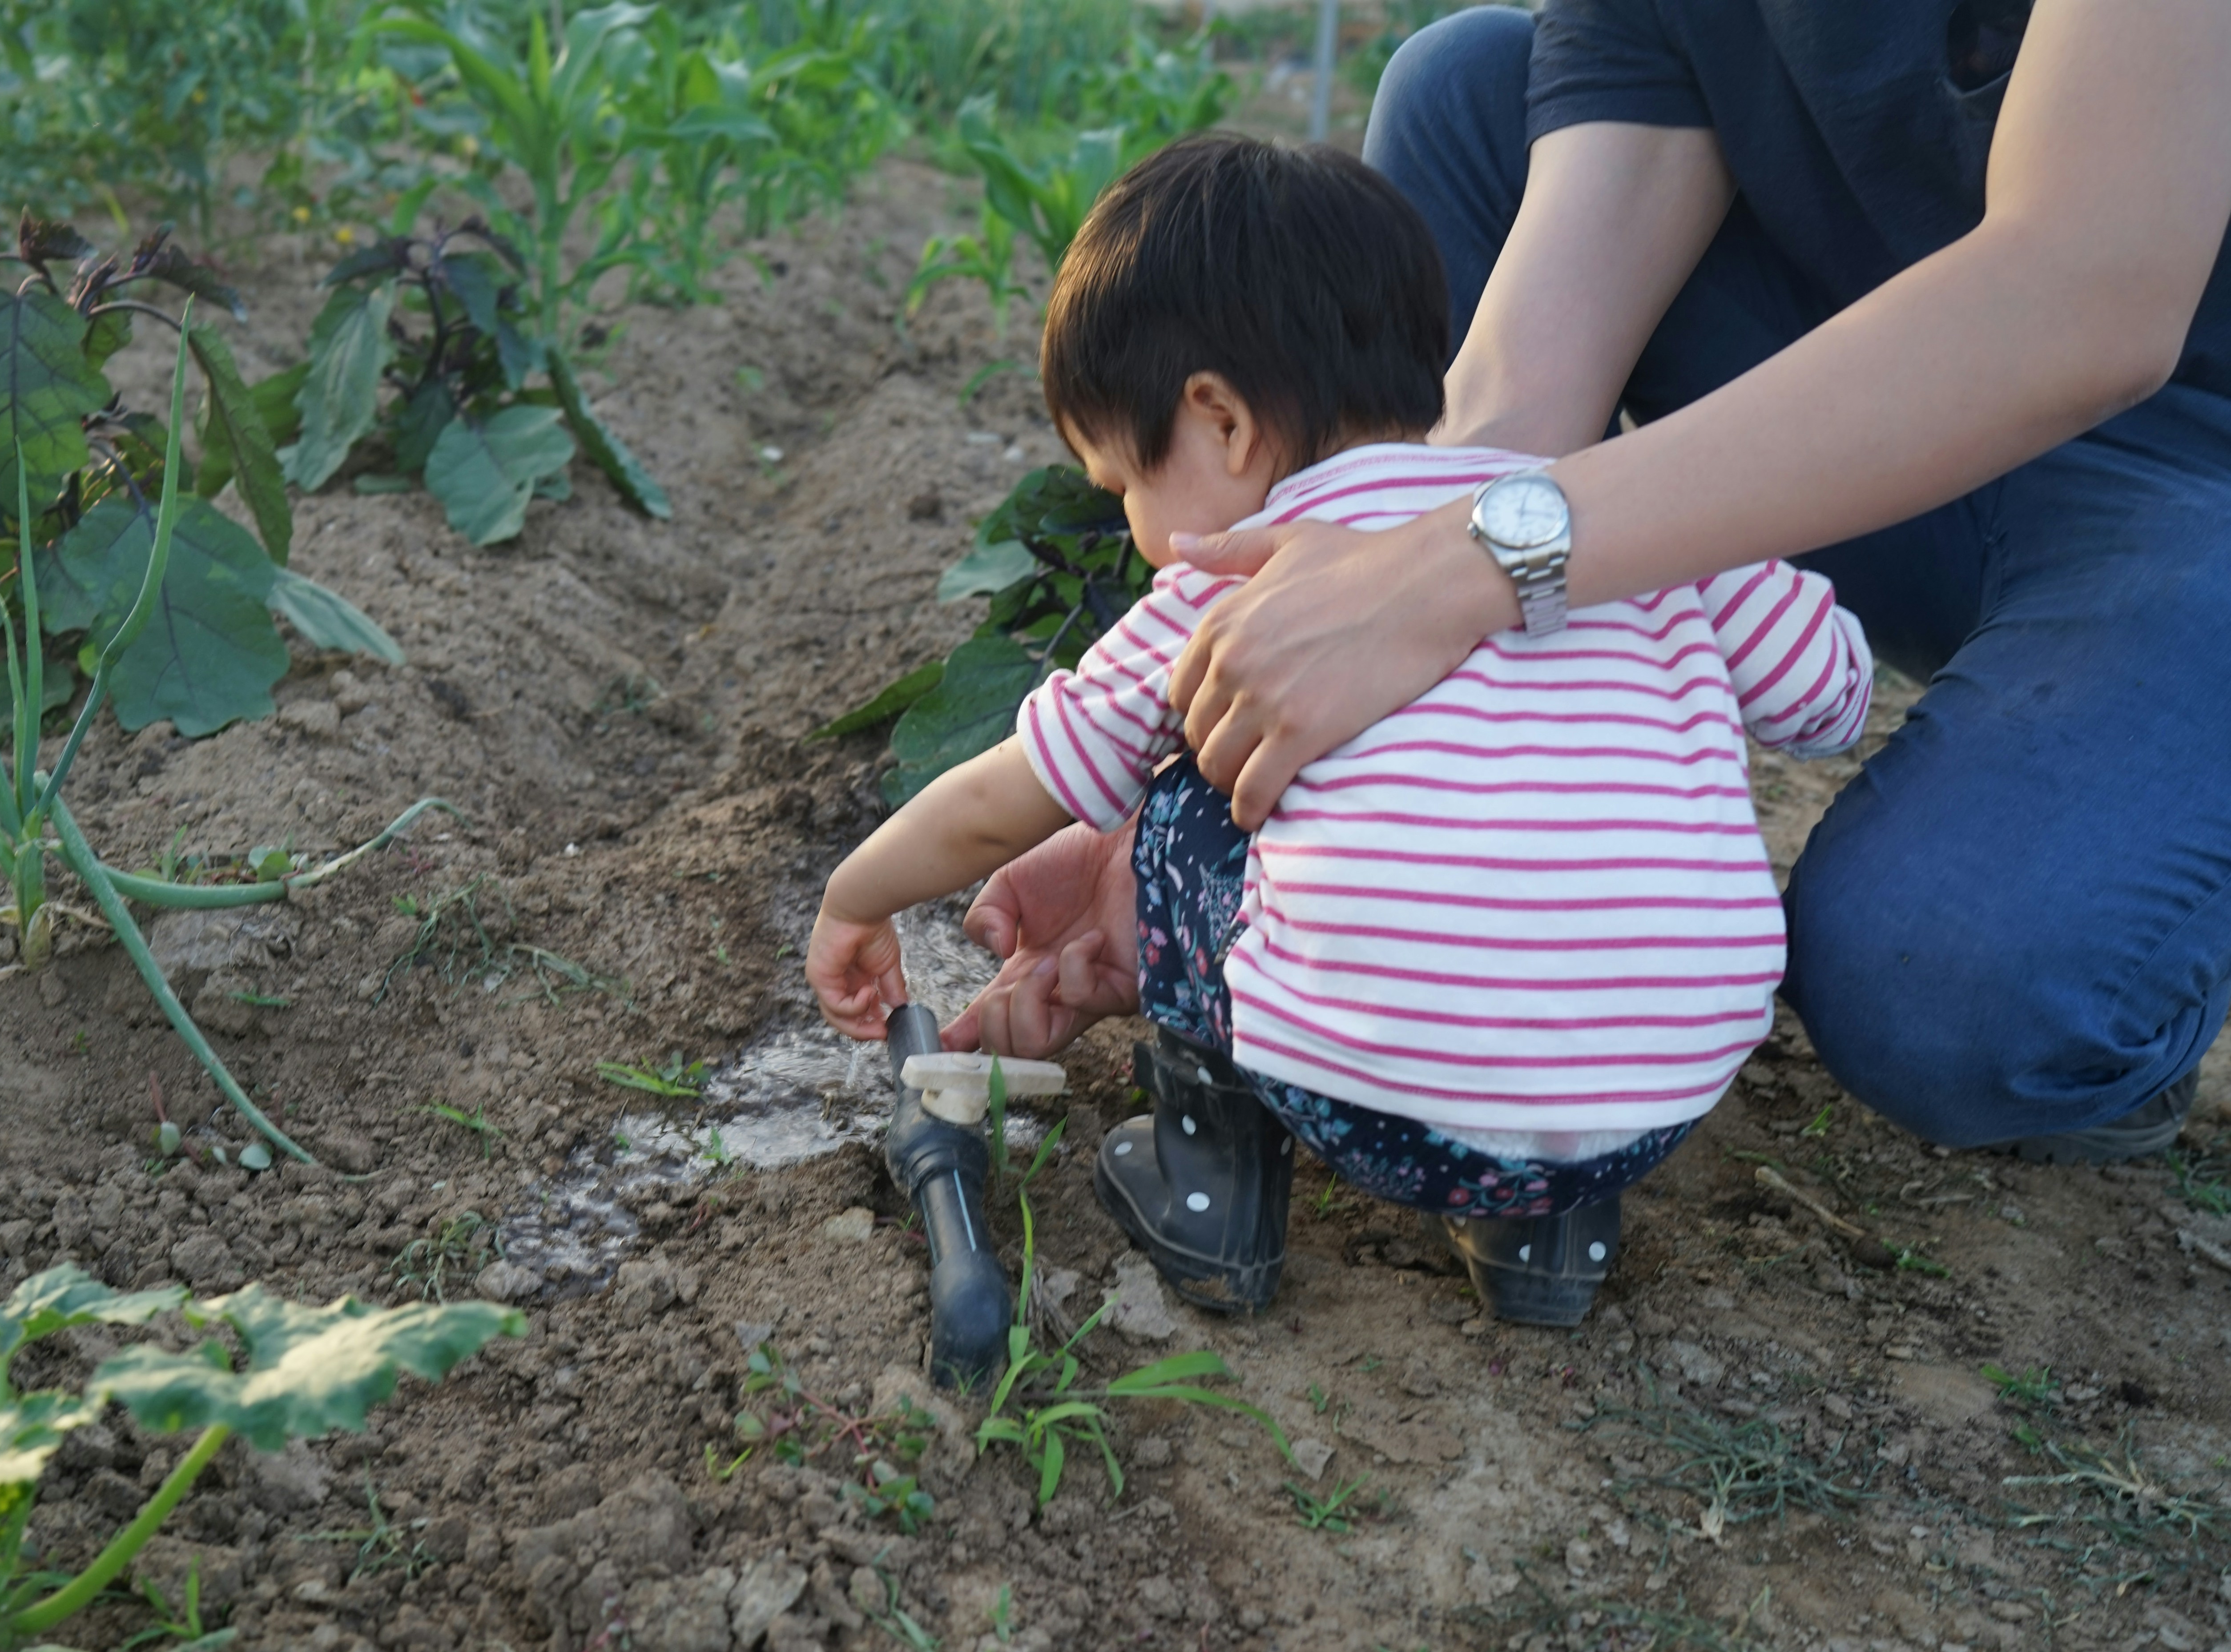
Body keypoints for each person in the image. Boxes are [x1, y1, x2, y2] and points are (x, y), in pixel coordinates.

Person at [941, 1, 2231, 1170]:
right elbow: (1514, 404)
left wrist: (1472, 560)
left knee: (1955, 993)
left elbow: (2091, 293)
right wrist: (1188, 803)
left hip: (2185, 460)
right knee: (1468, 96)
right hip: (1860, 376)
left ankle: (2148, 921)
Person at [811, 134, 1871, 1326]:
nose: (1141, 532)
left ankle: (1213, 1191)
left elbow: (1007, 797)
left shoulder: (1240, 577)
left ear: (1219, 422)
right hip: (1658, 1104)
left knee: (1193, 778)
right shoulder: (1621, 524)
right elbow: (1828, 699)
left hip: (1374, 1111)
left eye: (1125, 488)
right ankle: (1544, 1238)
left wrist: (860, 895)